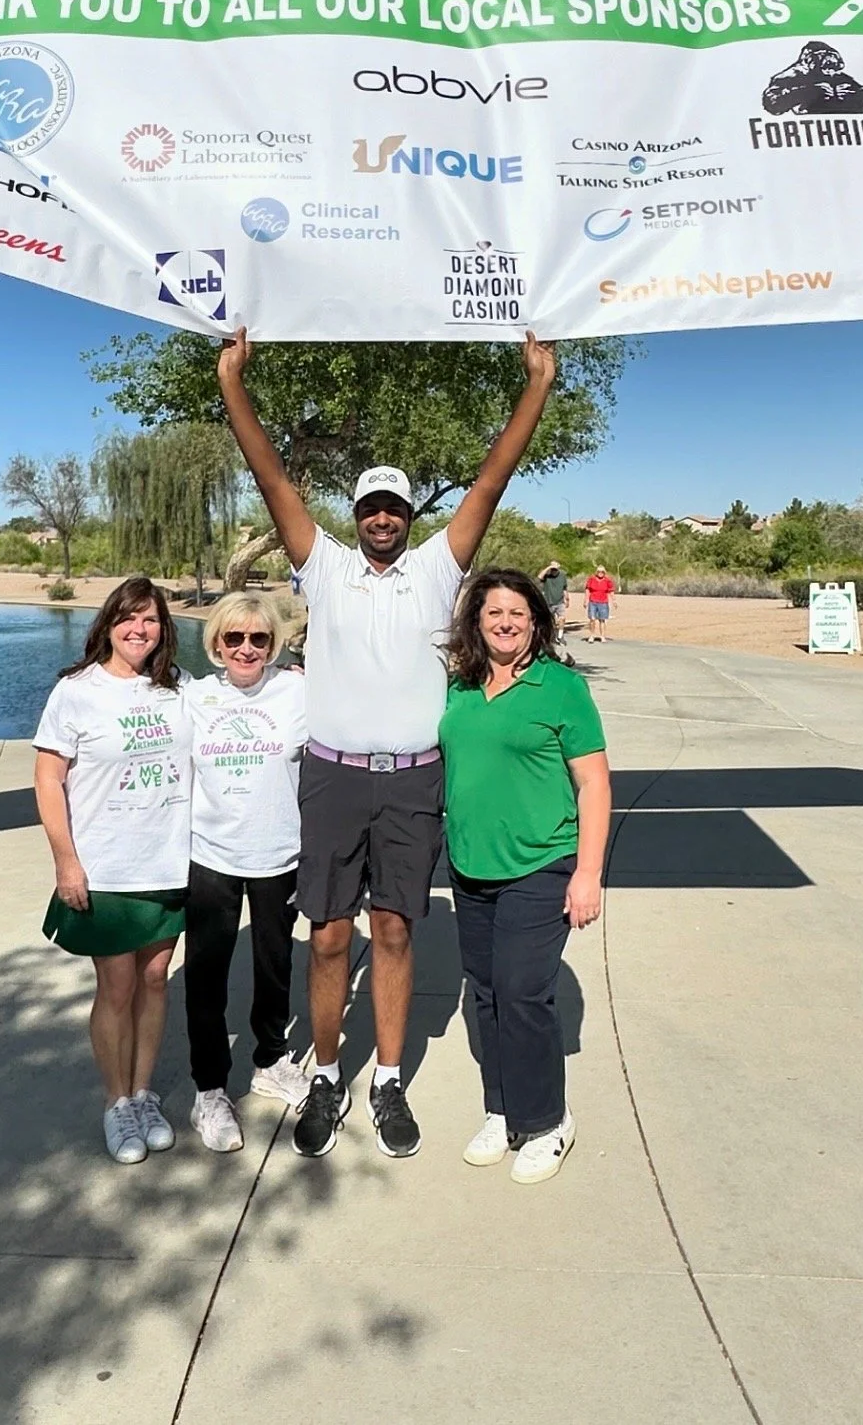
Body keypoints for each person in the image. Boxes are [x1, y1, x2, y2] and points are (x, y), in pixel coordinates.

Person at [218, 327, 557, 1161]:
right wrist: (234, 383)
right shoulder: (321, 564)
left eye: (394, 507)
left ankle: (390, 1079)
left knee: (397, 931)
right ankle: (328, 1073)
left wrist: (536, 385)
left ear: (410, 517)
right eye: (370, 506)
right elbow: (270, 475)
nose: (381, 517)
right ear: (355, 514)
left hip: (411, 784)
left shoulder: (441, 568)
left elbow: (493, 475)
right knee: (330, 936)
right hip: (332, 780)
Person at [440, 568, 611, 1183]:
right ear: (476, 623)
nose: (505, 622)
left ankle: (546, 1121)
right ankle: (502, 1107)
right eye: (493, 614)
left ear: (536, 620)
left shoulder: (560, 687)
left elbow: (593, 783)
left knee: (522, 993)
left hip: (541, 863)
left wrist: (587, 874)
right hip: (469, 865)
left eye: (517, 613)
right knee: (485, 993)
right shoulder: (458, 687)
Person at [33, 575, 191, 1166]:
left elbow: (238, 699)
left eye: (150, 619)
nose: (139, 629)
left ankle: (144, 1093)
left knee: (155, 981)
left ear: (162, 629)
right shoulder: (77, 691)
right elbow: (49, 778)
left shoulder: (177, 690)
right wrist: (66, 859)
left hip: (169, 862)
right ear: (108, 624)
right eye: (128, 618)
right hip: (106, 866)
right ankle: (115, 1101)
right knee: (117, 986)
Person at [182, 591, 311, 1151]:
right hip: (209, 854)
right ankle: (209, 1089)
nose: (246, 648)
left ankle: (270, 1060)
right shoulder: (193, 698)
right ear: (215, 644)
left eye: (259, 638)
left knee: (274, 964)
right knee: (206, 974)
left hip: (277, 854)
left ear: (273, 644)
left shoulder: (298, 691)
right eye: (233, 638)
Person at [537, 560, 569, 644]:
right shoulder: (547, 575)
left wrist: (567, 598)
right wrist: (549, 567)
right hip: (548, 601)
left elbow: (564, 588)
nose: (554, 571)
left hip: (560, 601)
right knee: (550, 621)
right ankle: (550, 636)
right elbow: (539, 577)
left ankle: (560, 636)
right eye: (553, 569)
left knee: (562, 618)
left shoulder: (562, 575)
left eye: (555, 569)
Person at [584, 565, 616, 642]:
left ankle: (602, 636)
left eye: (602, 572)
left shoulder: (607, 580)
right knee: (592, 619)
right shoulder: (591, 579)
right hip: (593, 601)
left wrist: (614, 600)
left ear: (604, 572)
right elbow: (588, 590)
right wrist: (586, 600)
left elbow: (611, 591)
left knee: (602, 620)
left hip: (603, 602)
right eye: (598, 571)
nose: (600, 573)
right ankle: (592, 635)